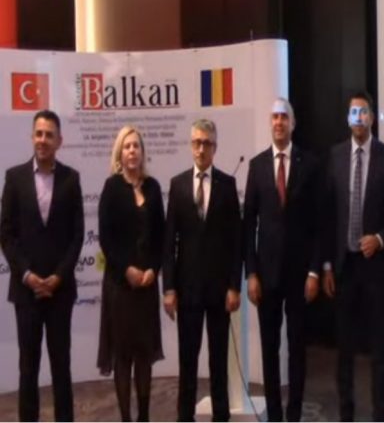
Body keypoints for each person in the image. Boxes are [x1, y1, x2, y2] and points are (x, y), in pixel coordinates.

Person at [0, 110, 84, 422]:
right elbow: (6, 234)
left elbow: (77, 236)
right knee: (28, 367)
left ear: (59, 141)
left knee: (62, 366)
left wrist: (58, 276)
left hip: (60, 292)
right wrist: (27, 275)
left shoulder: (71, 179)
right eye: (39, 134)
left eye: (49, 135)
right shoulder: (14, 178)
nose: (43, 140)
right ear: (31, 137)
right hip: (26, 292)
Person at [322, 91, 384, 421]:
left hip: (374, 266)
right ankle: (346, 413)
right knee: (345, 349)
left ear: (371, 117)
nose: (358, 118)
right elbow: (327, 215)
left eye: (364, 112)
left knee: (380, 348)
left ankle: (380, 413)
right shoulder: (336, 156)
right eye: (353, 112)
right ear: (348, 118)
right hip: (343, 266)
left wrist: (380, 239)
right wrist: (326, 265)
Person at [243, 98, 322, 421]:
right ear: (270, 123)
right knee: (269, 348)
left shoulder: (310, 164)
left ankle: (294, 414)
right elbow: (248, 224)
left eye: (284, 117)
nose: (278, 122)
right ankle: (274, 415)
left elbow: (318, 224)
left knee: (297, 348)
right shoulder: (257, 166)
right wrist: (251, 273)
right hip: (266, 275)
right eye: (274, 117)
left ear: (293, 123)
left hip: (300, 274)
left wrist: (315, 271)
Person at [163, 119, 242, 422]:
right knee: (188, 362)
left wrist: (234, 286)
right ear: (190, 145)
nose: (201, 148)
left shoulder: (227, 185)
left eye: (206, 143)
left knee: (218, 362)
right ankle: (185, 417)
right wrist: (169, 288)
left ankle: (221, 417)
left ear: (215, 148)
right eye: (196, 142)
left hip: (220, 291)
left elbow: (236, 241)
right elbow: (169, 242)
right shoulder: (178, 185)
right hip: (187, 290)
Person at [97, 125, 164, 422]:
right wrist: (127, 269)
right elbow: (106, 238)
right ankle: (126, 418)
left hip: (147, 287)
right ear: (120, 153)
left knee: (144, 356)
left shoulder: (153, 187)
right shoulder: (112, 188)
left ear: (143, 152)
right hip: (120, 287)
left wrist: (153, 269)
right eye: (127, 146)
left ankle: (144, 417)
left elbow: (161, 236)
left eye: (136, 145)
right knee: (123, 357)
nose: (132, 151)